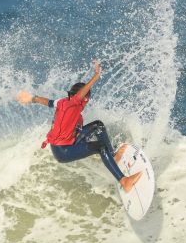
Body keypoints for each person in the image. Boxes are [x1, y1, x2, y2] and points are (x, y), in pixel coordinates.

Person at [16, 59, 142, 193]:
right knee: (100, 147)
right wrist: (96, 76)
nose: (86, 101)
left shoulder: (63, 101)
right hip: (63, 151)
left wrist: (31, 98)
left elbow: (47, 101)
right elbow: (82, 93)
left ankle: (113, 157)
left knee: (97, 126)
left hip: (67, 141)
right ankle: (124, 181)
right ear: (84, 98)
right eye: (86, 98)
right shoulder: (74, 103)